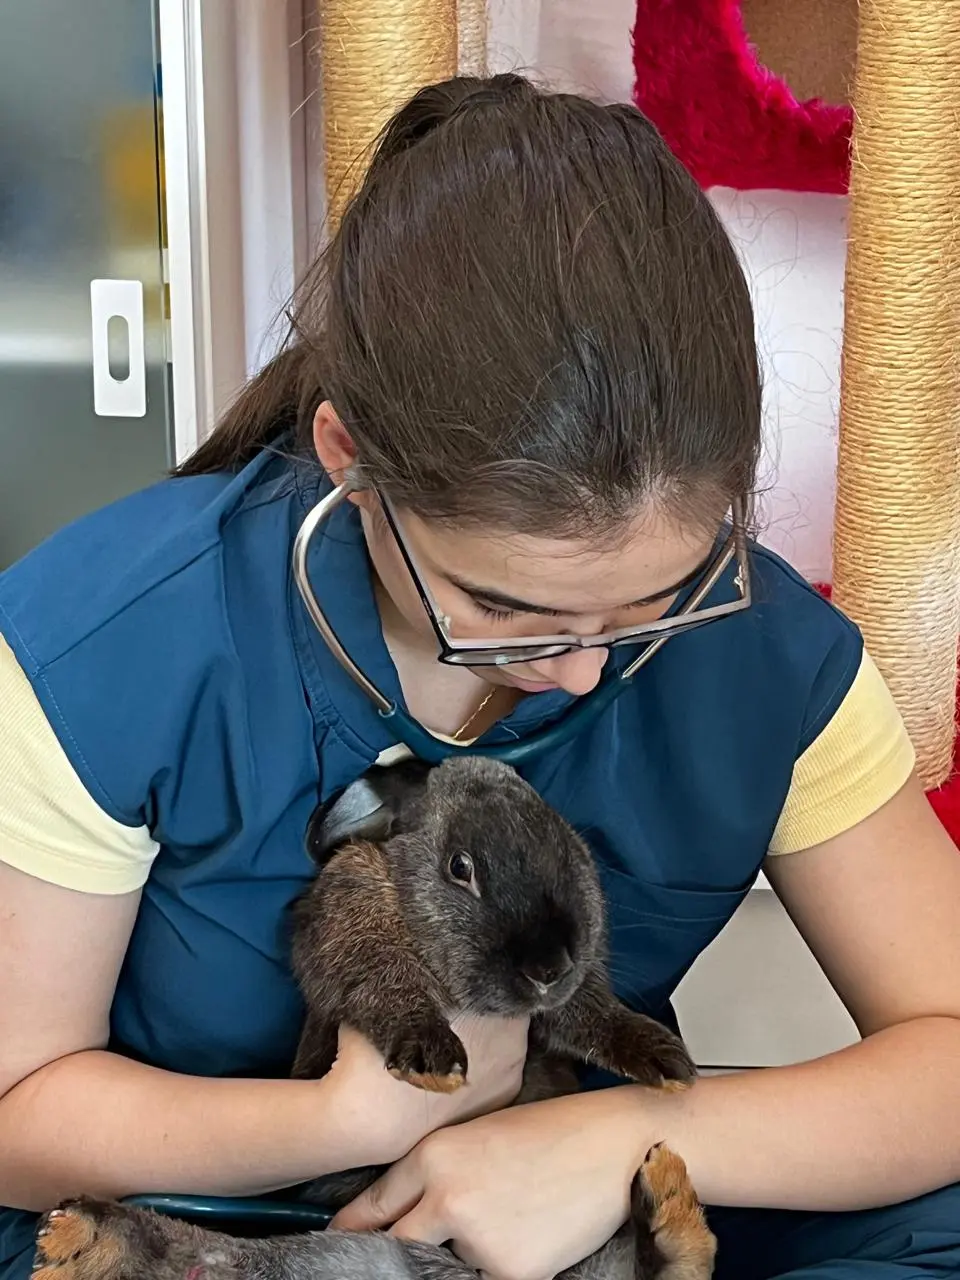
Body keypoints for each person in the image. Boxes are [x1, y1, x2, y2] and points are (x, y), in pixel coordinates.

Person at [1, 73, 959, 1280]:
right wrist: (348, 1118)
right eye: (502, 608)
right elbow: (16, 1113)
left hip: (555, 1208)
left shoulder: (777, 655)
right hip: (192, 1219)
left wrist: (606, 1140)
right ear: (348, 461)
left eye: (659, 601)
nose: (583, 668)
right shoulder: (112, 637)